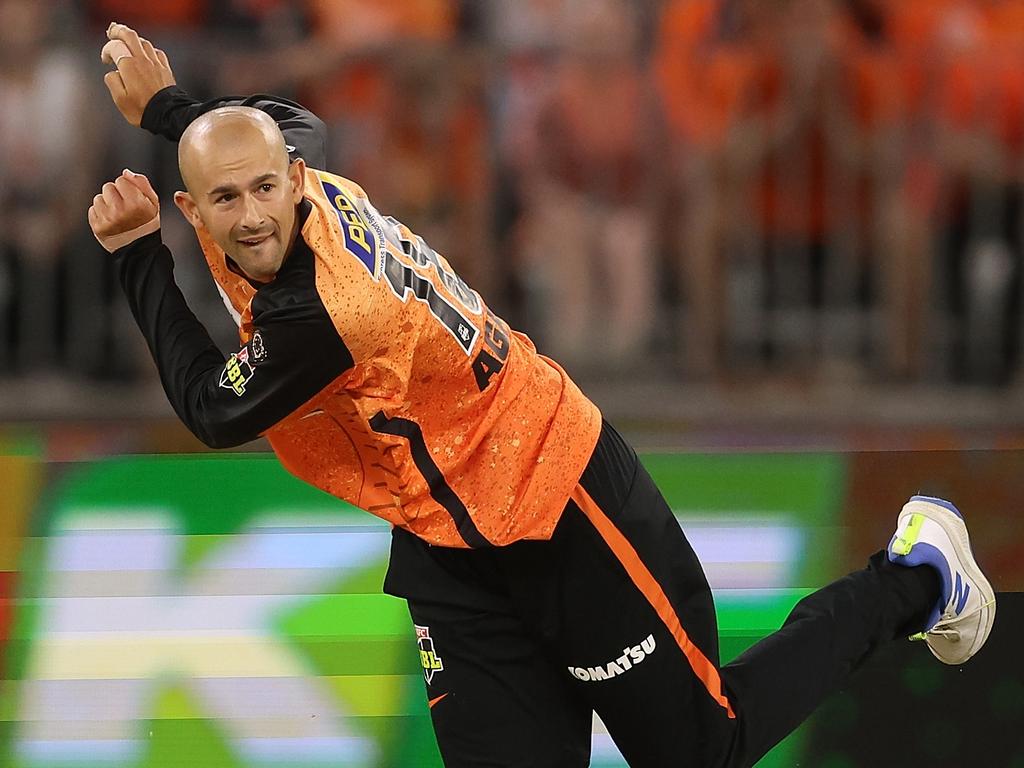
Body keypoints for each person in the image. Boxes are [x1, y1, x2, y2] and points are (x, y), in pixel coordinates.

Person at [88, 23, 996, 768]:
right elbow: (288, 122)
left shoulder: (324, 314)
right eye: (224, 199)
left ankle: (915, 578)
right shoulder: (297, 165)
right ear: (192, 205)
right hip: (450, 535)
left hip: (554, 493)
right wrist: (173, 108)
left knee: (701, 752)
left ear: (290, 183)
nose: (250, 217)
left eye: (262, 191)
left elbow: (212, 408)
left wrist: (137, 255)